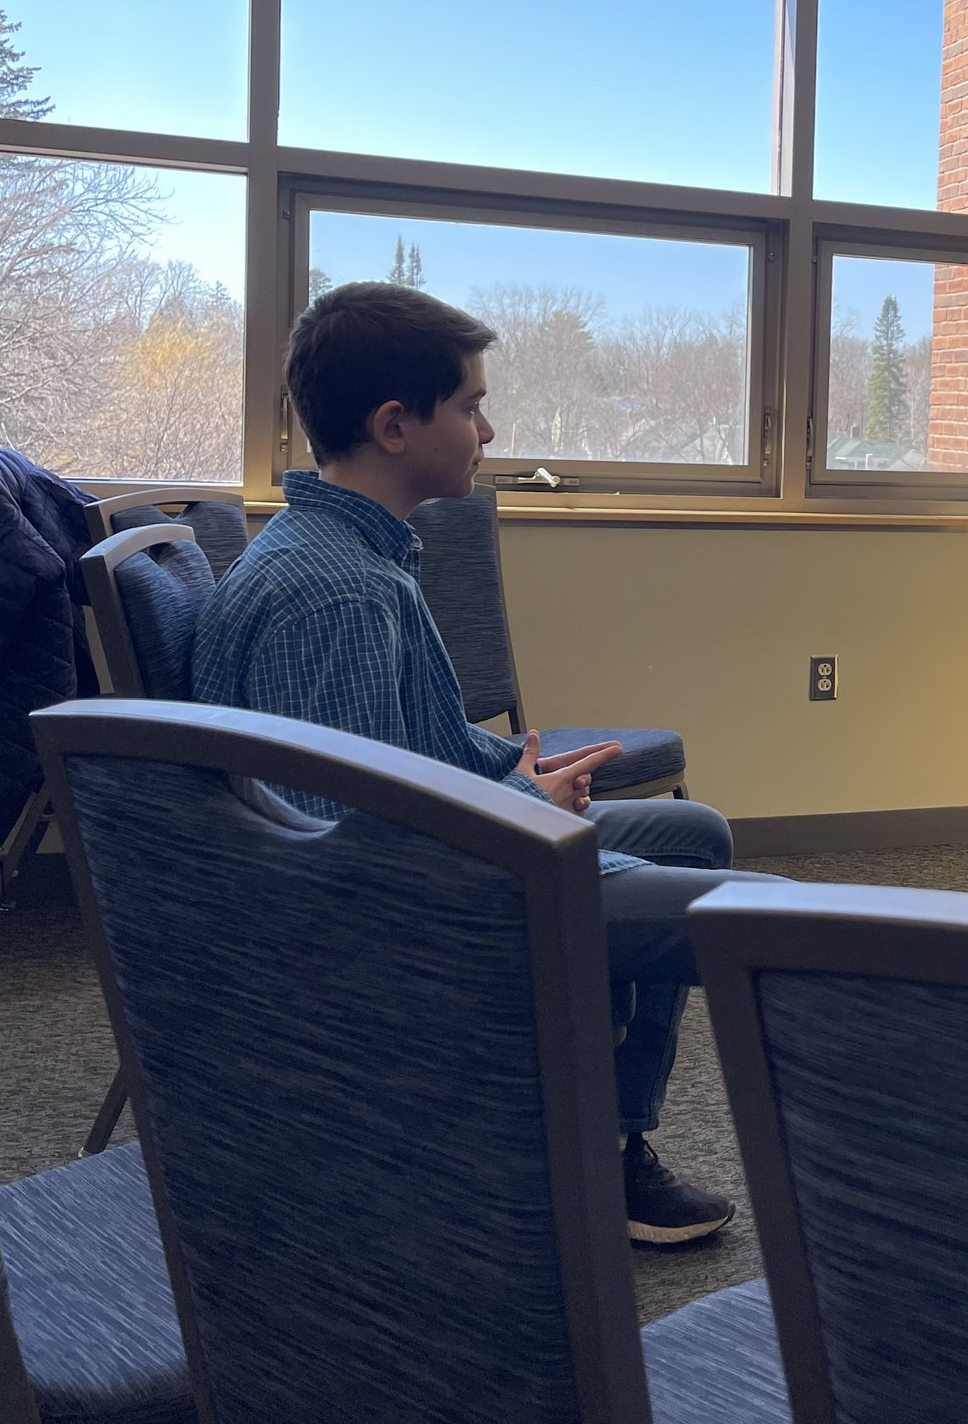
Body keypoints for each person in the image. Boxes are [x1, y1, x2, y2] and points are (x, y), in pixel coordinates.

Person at [192, 282, 755, 1246]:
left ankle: (609, 1149)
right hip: (428, 899)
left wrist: (519, 779)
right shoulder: (334, 595)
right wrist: (518, 806)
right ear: (395, 424)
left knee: (695, 831)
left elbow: (398, 762)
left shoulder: (352, 554)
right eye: (470, 405)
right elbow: (342, 849)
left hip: (466, 840)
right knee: (747, 919)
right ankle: (587, 1158)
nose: (488, 429)